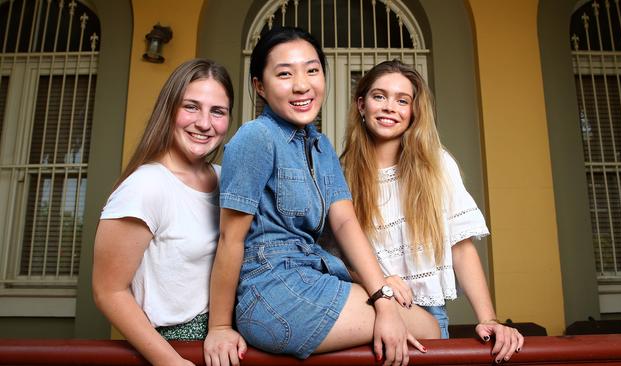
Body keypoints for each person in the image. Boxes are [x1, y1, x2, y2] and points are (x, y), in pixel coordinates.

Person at [203, 27, 439, 366]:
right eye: (284, 73)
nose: (302, 85)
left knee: (419, 325)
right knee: (426, 328)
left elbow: (344, 222)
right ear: (259, 85)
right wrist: (221, 326)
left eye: (312, 70)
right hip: (273, 291)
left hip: (314, 273)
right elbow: (230, 239)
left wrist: (382, 298)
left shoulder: (321, 146)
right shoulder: (254, 138)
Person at [339, 59, 525, 363]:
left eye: (402, 100)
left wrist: (489, 319)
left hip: (426, 316)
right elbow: (330, 259)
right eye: (379, 96)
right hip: (366, 311)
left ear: (414, 112)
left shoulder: (436, 164)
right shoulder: (340, 172)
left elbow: (461, 248)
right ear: (361, 104)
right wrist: (378, 282)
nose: (389, 107)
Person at [92, 58, 234, 366]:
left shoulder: (228, 180)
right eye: (191, 107)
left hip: (226, 342)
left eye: (217, 111)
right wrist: (169, 362)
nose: (205, 123)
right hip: (178, 348)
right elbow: (109, 290)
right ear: (168, 110)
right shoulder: (146, 186)